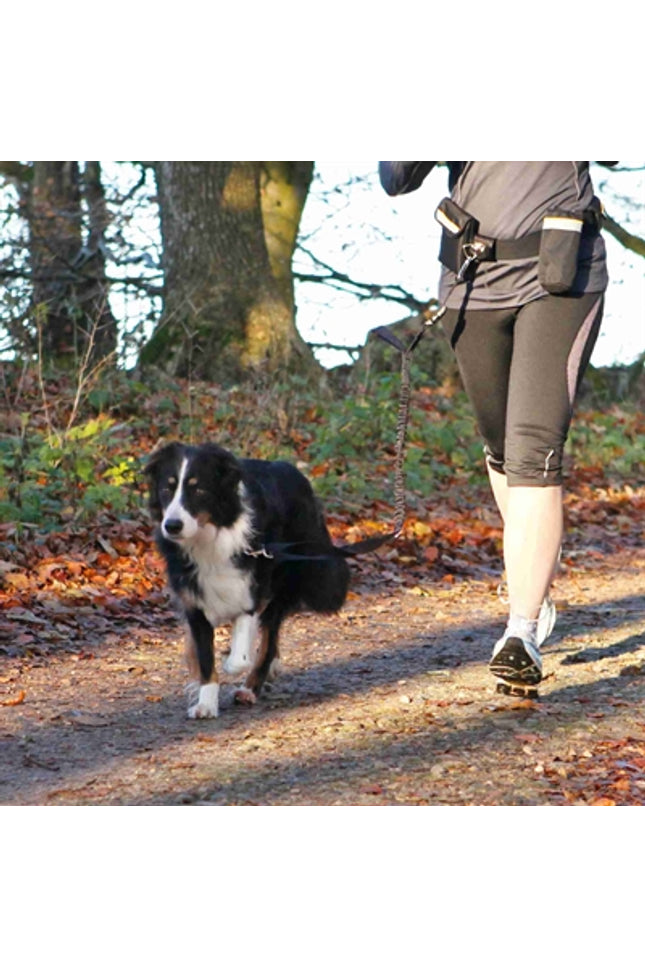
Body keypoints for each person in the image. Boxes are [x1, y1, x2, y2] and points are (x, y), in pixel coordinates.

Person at [378, 161, 615, 695]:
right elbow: (396, 177)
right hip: (473, 280)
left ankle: (521, 630)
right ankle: (533, 577)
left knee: (534, 450)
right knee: (503, 447)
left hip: (561, 274)